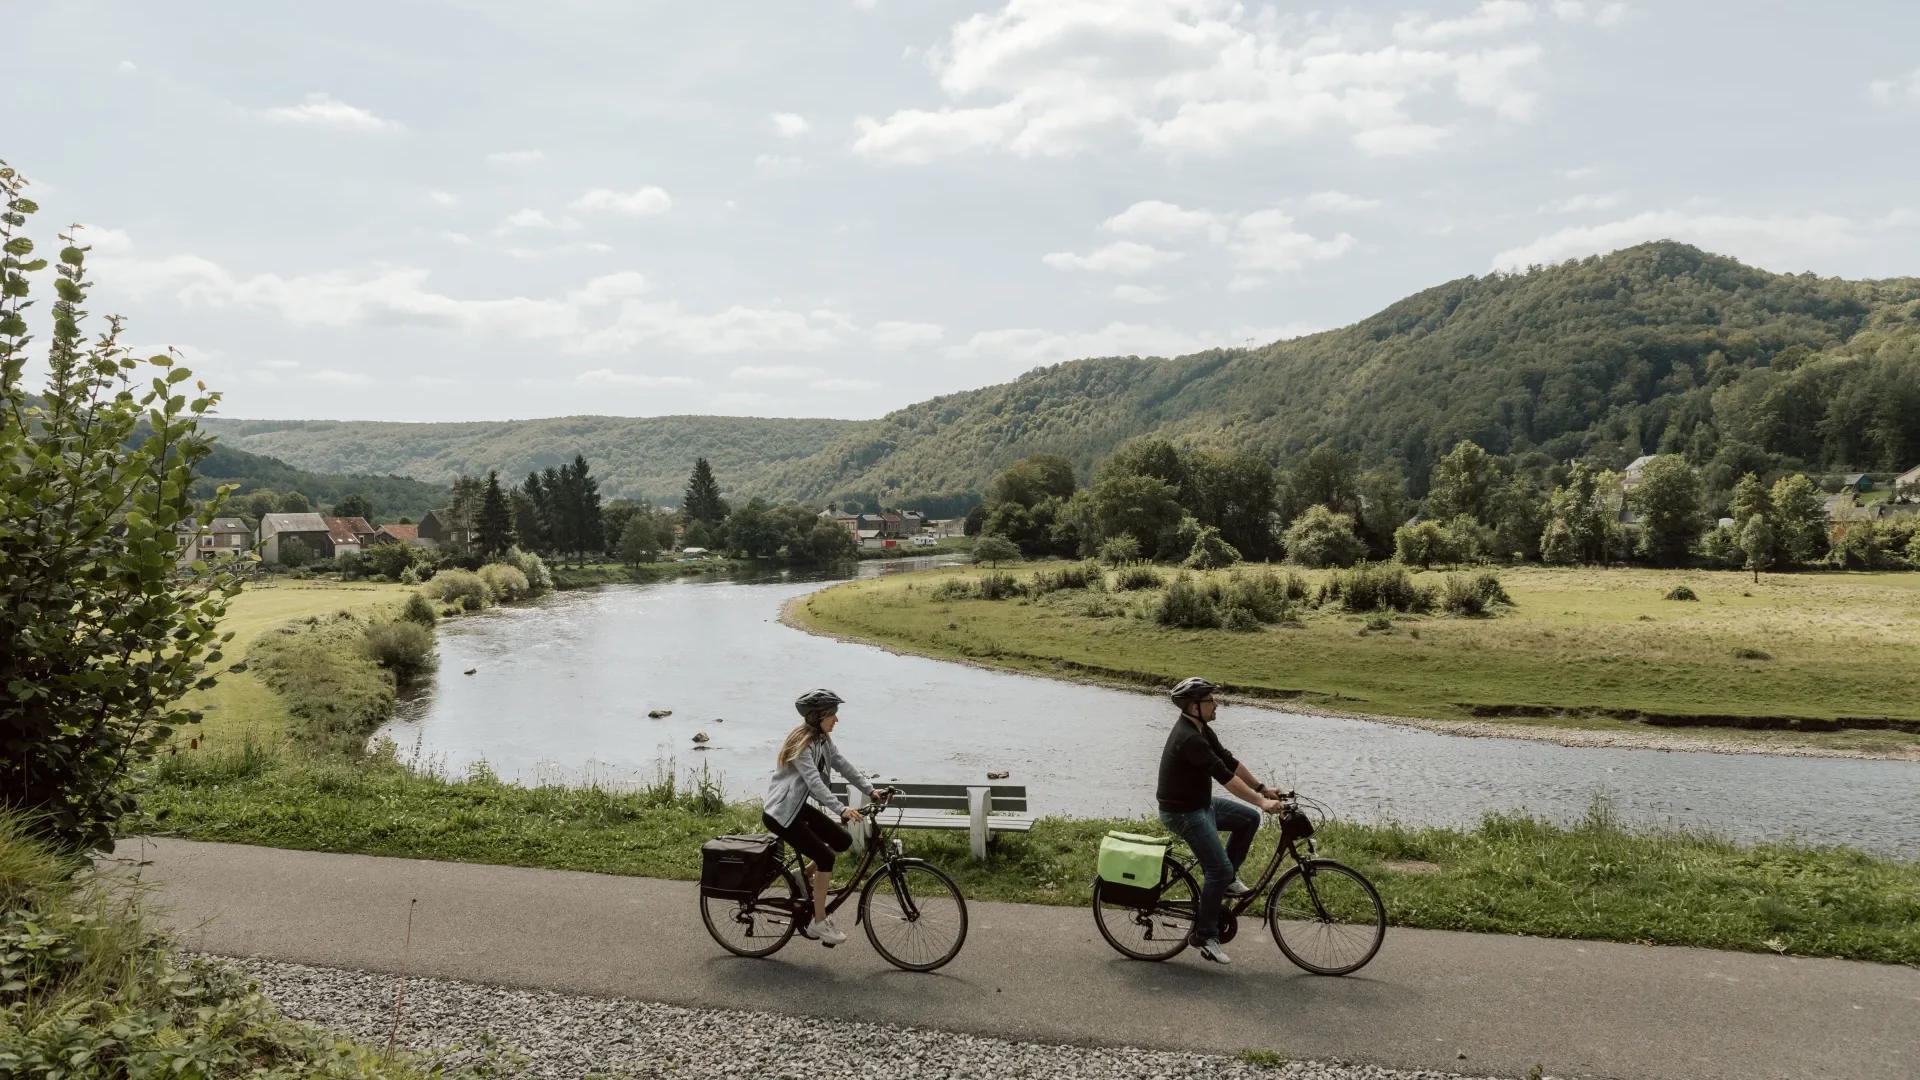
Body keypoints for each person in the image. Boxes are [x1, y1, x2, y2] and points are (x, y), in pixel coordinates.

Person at [1156, 676, 1282, 965]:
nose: (1217, 703)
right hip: (1182, 813)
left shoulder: (1202, 729)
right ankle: (1205, 935)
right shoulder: (1189, 738)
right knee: (1218, 868)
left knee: (1248, 818)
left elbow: (1228, 760)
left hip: (1200, 805)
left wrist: (1262, 789)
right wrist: (1262, 802)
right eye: (1210, 700)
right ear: (1194, 706)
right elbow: (1224, 778)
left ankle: (1225, 881)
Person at [762, 688, 877, 948]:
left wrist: (869, 789)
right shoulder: (803, 745)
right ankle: (819, 919)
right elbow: (814, 783)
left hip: (796, 808)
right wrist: (841, 809)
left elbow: (842, 764)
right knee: (825, 857)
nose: (836, 720)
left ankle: (802, 876)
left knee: (842, 840)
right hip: (781, 814)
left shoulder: (822, 739)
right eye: (832, 715)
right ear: (818, 717)